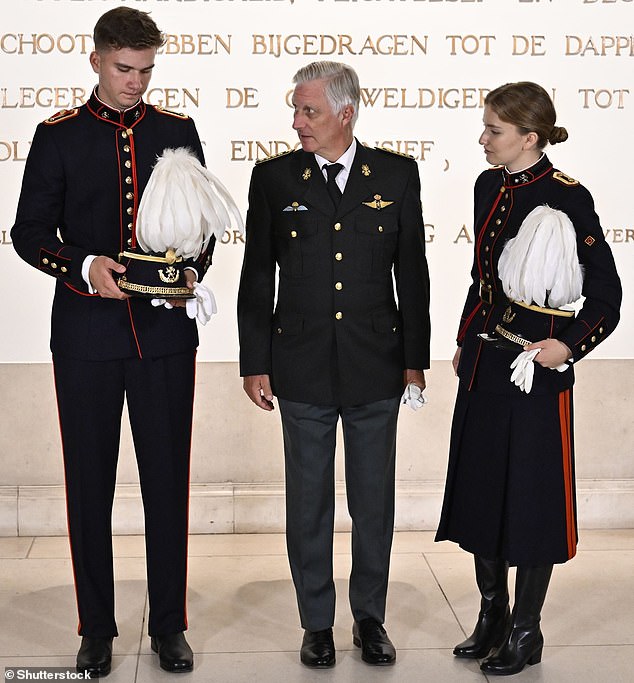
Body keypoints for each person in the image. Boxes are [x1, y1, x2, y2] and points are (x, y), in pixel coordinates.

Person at [11, 8, 215, 677]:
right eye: (125, 69)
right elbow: (27, 232)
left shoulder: (176, 131)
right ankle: (95, 627)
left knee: (167, 484)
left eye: (146, 69)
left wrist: (192, 270)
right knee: (88, 486)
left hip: (163, 336)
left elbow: (204, 227)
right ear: (94, 59)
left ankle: (169, 626)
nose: (136, 82)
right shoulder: (59, 137)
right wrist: (83, 266)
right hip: (85, 336)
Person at [237, 61, 430, 668]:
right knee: (309, 501)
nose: (297, 123)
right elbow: (255, 277)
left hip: (377, 362)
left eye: (309, 111)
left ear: (346, 114)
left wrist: (415, 361)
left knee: (373, 501)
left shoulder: (397, 174)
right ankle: (316, 623)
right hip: (300, 365)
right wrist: (254, 360)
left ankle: (369, 620)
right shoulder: (273, 178)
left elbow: (413, 274)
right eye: (296, 110)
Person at [435, 82, 621, 676]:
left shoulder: (570, 197)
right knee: (484, 489)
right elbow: (481, 280)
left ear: (529, 137)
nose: (483, 139)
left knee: (532, 501)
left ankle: (525, 629)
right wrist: (466, 340)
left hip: (537, 374)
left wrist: (567, 346)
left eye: (494, 130)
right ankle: (492, 612)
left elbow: (607, 295)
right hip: (489, 366)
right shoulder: (488, 185)